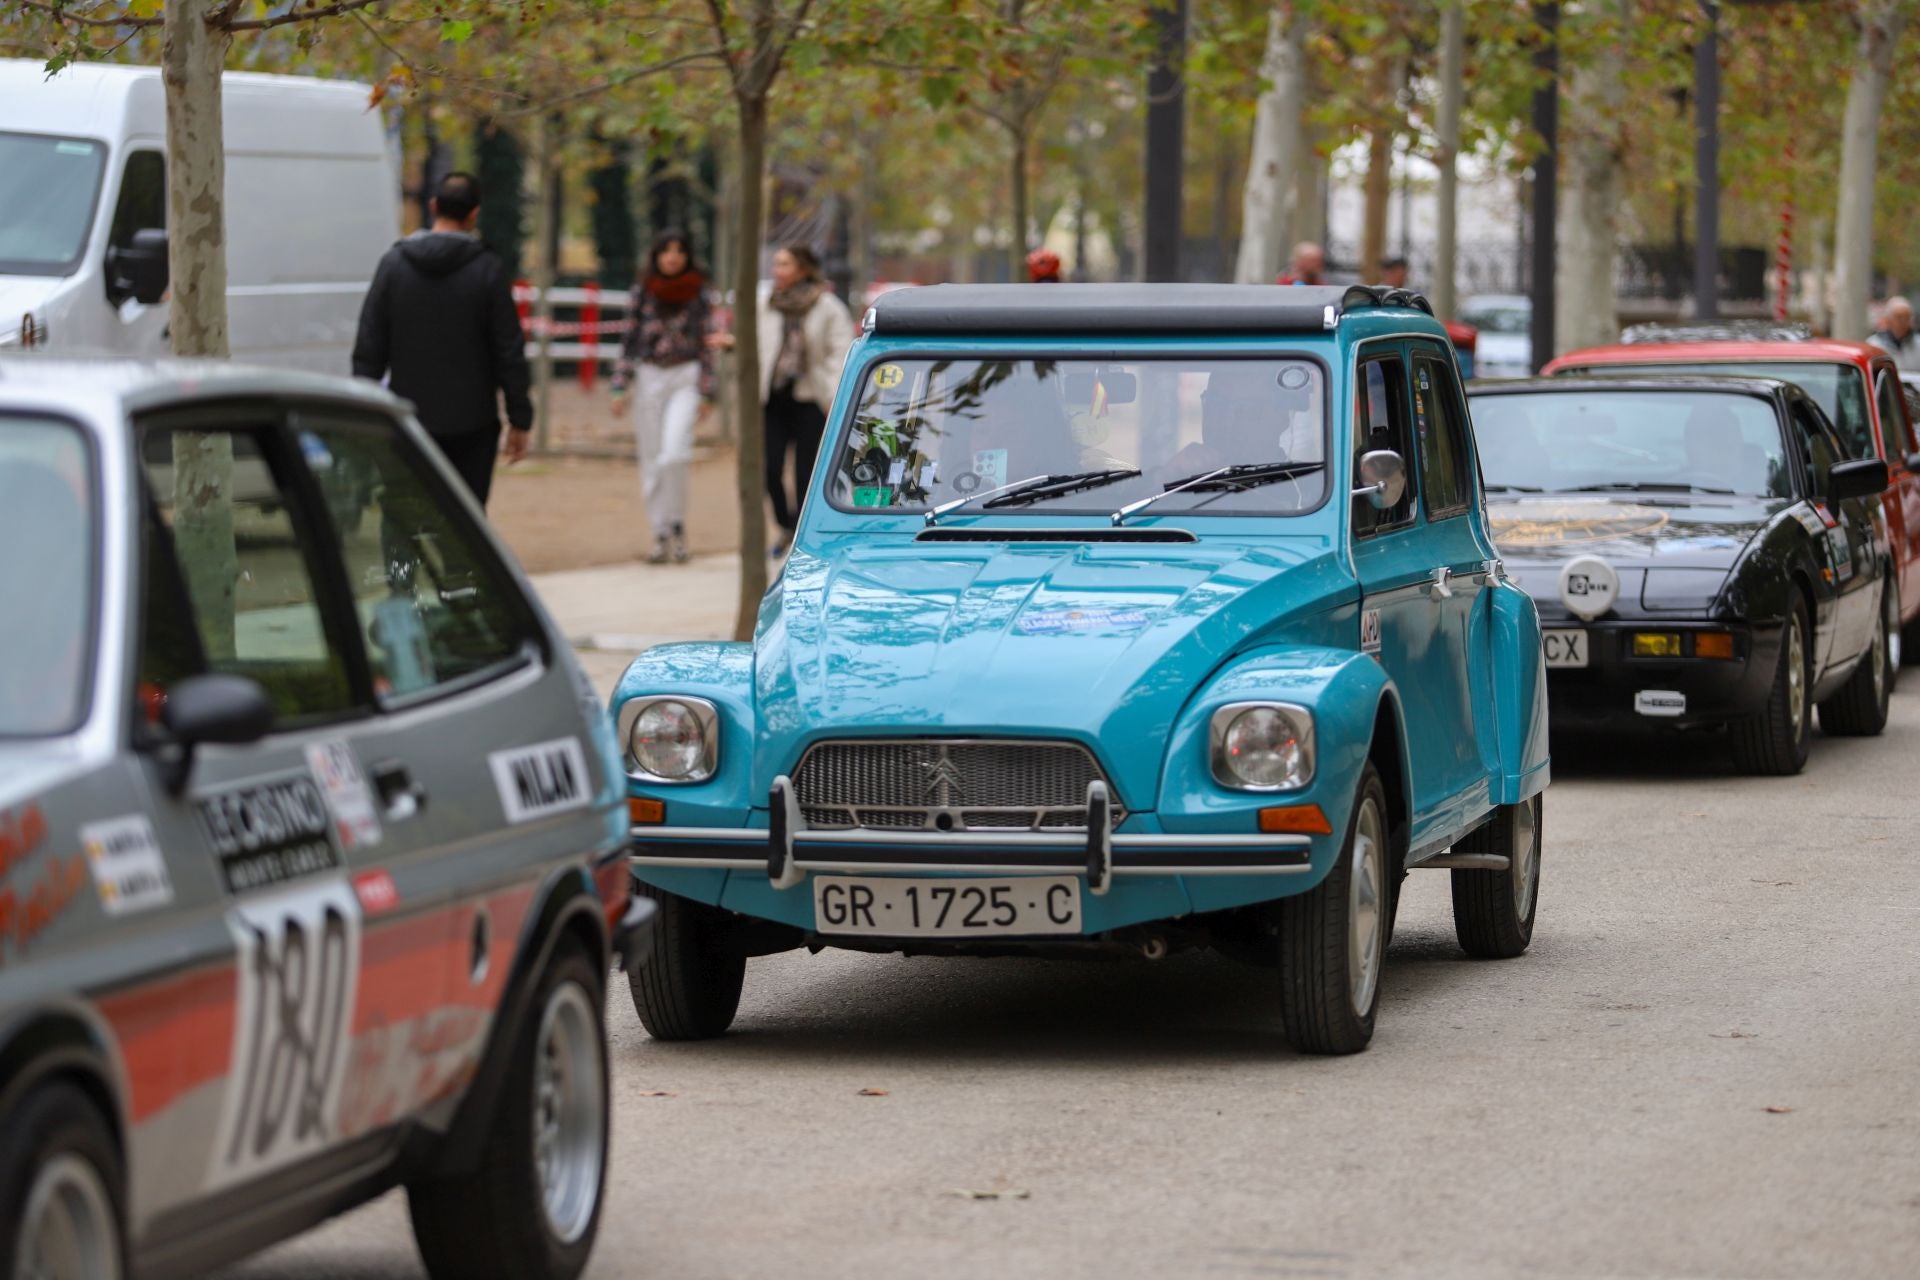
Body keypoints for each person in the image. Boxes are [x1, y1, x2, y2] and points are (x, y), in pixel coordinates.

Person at [352, 172, 531, 508]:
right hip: (473, 423)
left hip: (407, 420)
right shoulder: (488, 270)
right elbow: (509, 350)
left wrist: (364, 416)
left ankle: (401, 564)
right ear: (474, 213)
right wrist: (519, 418)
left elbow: (369, 348)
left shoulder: (394, 265)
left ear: (433, 206)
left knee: (403, 519)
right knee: (464, 526)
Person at [711, 244, 855, 556]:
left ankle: (802, 539)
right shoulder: (766, 304)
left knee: (807, 472)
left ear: (803, 269)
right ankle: (786, 524)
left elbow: (839, 353)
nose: (777, 271)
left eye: (784, 264)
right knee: (769, 467)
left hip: (810, 398)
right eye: (775, 264)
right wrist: (734, 344)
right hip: (773, 397)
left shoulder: (828, 307)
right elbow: (757, 343)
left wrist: (832, 395)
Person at [610, 230, 714, 564]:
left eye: (679, 251)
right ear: (656, 255)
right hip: (649, 375)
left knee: (674, 454)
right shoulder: (643, 291)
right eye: (666, 251)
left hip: (685, 374)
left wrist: (707, 392)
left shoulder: (698, 292)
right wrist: (619, 385)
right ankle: (660, 531)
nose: (672, 257)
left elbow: (707, 341)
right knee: (652, 458)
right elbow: (629, 339)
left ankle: (677, 521)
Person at [1868, 297, 1919, 370]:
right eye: (1899, 317)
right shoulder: (1874, 345)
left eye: (1907, 317)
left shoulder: (1918, 344)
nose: (1903, 322)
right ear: (1888, 319)